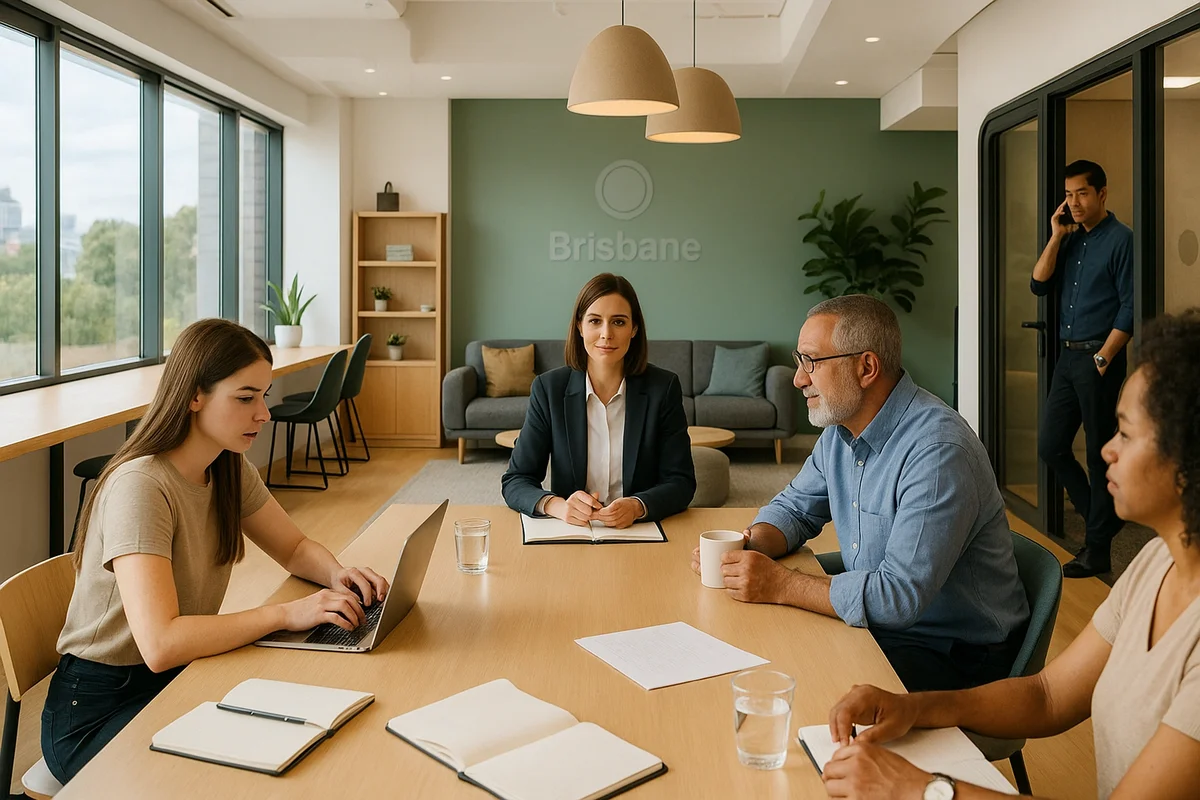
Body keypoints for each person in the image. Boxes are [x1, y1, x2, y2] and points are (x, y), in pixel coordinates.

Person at [822, 310, 1200, 800]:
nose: (1106, 450)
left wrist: (921, 790)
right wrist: (914, 708)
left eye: (1125, 434)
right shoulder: (1156, 564)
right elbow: (1047, 697)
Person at [42, 319, 391, 784]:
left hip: (177, 677)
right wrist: (287, 614)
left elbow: (294, 547)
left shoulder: (226, 466)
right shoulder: (141, 486)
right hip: (98, 708)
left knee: (307, 736)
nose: (263, 414)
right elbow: (161, 644)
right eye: (245, 398)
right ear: (193, 396)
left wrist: (337, 575)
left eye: (264, 396)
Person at [690, 295, 1029, 692]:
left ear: (866, 367)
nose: (799, 379)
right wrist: (750, 545)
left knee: (799, 682)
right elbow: (795, 509)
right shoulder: (840, 431)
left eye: (811, 362)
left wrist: (781, 584)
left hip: (955, 656)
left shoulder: (938, 452)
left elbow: (899, 597)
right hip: (888, 628)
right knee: (757, 651)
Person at [501, 273, 695, 526]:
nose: (606, 334)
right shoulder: (549, 389)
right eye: (595, 321)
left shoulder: (663, 388)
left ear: (634, 329)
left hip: (639, 532)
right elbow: (516, 479)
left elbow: (681, 482)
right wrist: (557, 506)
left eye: (618, 322)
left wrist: (638, 506)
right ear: (580, 326)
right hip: (572, 531)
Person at [1032, 160, 1134, 578]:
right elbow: (1039, 283)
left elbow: (1130, 305)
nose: (1074, 202)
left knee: (1096, 453)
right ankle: (1103, 516)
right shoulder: (1069, 238)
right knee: (1051, 445)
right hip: (1067, 359)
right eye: (1069, 194)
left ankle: (1097, 550)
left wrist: (1104, 357)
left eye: (1082, 193)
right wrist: (1057, 236)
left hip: (1099, 358)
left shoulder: (1122, 240)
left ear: (1102, 194)